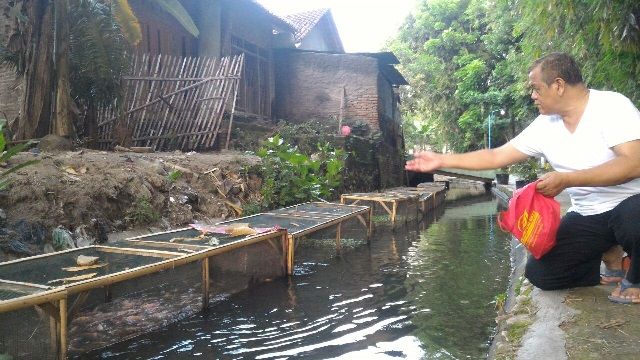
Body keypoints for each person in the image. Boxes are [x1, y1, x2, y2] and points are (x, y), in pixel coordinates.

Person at [405, 52, 640, 304]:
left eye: (536, 88)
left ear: (558, 85)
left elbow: (633, 163)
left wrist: (567, 179)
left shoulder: (611, 106)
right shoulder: (545, 124)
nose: (533, 96)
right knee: (542, 275)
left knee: (632, 217)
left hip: (631, 205)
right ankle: (614, 256)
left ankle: (636, 279)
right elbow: (497, 156)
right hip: (589, 214)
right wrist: (442, 160)